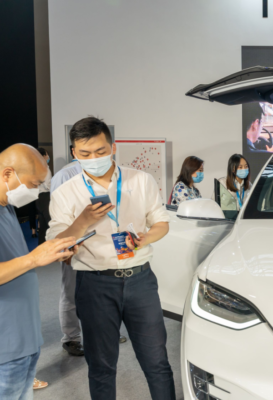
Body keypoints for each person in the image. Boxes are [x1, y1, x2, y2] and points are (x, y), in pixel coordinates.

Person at [48, 117, 175, 399]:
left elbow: (161, 222)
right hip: (94, 284)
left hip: (140, 280)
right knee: (101, 366)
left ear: (113, 147)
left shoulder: (140, 180)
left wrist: (146, 238)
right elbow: (57, 242)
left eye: (101, 151)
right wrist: (82, 221)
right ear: (74, 153)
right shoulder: (65, 193)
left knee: (157, 362)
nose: (94, 159)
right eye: (85, 154)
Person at [0, 144, 78, 400]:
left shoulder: (6, 207)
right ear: (7, 173)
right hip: (5, 348)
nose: (35, 192)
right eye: (33, 184)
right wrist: (33, 259)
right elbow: (26, 261)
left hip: (23, 341)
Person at [50, 144, 128, 357]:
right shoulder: (65, 175)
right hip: (76, 243)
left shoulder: (112, 173)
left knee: (104, 291)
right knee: (71, 291)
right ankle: (71, 338)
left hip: (104, 242)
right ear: (75, 151)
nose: (95, 157)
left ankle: (105, 331)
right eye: (87, 150)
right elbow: (57, 214)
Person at [36, 148, 52, 245]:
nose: (48, 156)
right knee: (50, 222)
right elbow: (48, 185)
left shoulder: (36, 167)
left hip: (38, 197)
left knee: (42, 224)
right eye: (47, 154)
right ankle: (53, 245)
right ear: (43, 156)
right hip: (45, 196)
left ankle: (41, 245)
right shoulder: (44, 167)